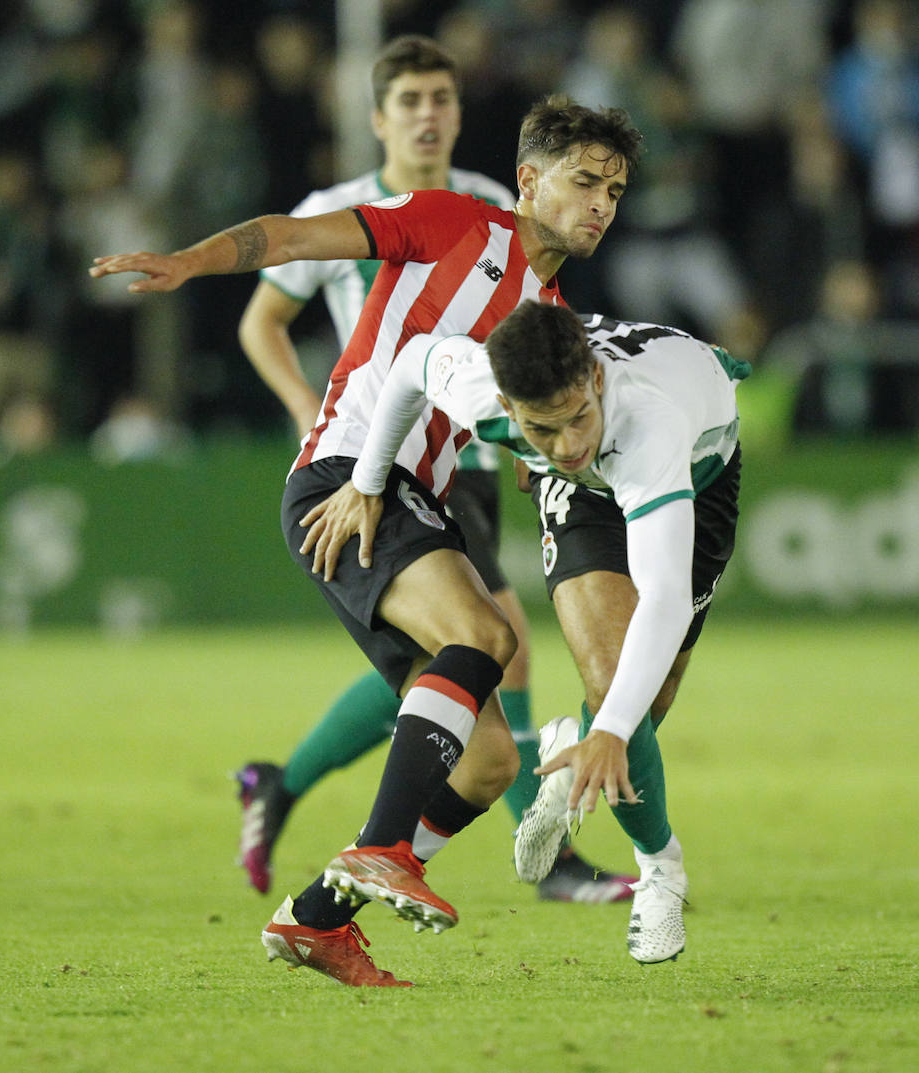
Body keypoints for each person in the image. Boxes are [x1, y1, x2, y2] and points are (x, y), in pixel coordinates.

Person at [90, 95, 643, 987]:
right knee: (489, 638)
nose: (602, 205)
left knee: (494, 757)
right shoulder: (452, 222)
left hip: (413, 496)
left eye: (615, 190)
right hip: (345, 479)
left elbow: (532, 437)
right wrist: (190, 262)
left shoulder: (548, 311)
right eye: (585, 182)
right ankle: (385, 847)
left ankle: (316, 918)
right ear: (530, 180)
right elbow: (295, 238)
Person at [232, 35, 631, 905]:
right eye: (409, 100)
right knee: (491, 644)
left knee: (459, 678)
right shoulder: (354, 208)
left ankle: (322, 885)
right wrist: (315, 419)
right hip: (363, 453)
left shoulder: (499, 206)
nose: (428, 114)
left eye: (442, 98)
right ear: (378, 118)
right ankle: (525, 846)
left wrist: (531, 442)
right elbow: (268, 319)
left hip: (460, 456)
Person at [318, 301, 748, 965]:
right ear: (508, 409)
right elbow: (408, 367)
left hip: (699, 472)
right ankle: (661, 871)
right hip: (584, 500)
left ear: (597, 382)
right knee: (615, 693)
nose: (569, 442)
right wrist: (367, 481)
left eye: (579, 416)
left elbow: (662, 598)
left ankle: (576, 741)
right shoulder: (479, 386)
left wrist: (607, 733)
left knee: (644, 707)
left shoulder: (648, 424)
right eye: (543, 428)